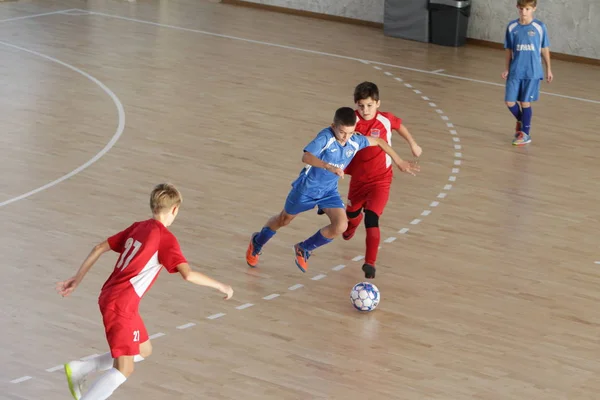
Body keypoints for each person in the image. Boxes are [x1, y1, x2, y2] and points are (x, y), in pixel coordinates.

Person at [56, 183, 233, 400]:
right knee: (124, 369)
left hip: (113, 297)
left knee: (143, 349)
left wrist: (77, 278)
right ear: (175, 210)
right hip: (122, 305)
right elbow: (188, 275)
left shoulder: (138, 227)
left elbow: (99, 248)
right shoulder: (165, 238)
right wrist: (221, 285)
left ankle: (81, 369)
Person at [245, 106, 419, 272]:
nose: (345, 137)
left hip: (328, 192)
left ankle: (304, 248)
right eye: (342, 132)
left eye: (350, 132)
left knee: (341, 225)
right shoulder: (325, 137)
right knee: (284, 220)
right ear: (333, 126)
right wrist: (327, 166)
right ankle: (257, 242)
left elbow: (380, 141)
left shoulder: (355, 141)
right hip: (306, 189)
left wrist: (398, 161)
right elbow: (306, 156)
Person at [320, 82, 422, 279]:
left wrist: (413, 144)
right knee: (350, 218)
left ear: (377, 103)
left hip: (381, 180)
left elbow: (399, 126)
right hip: (358, 179)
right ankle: (353, 222)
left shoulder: (385, 120)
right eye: (361, 106)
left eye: (369, 105)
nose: (365, 110)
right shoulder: (351, 122)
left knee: (372, 218)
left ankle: (370, 263)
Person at [502, 0, 553, 146]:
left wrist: (549, 68)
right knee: (509, 101)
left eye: (527, 9)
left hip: (532, 72)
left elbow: (544, 48)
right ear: (517, 7)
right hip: (515, 70)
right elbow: (508, 50)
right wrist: (506, 68)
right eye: (522, 8)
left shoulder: (539, 27)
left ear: (534, 9)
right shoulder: (512, 27)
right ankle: (521, 120)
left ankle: (525, 134)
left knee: (525, 102)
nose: (524, 12)